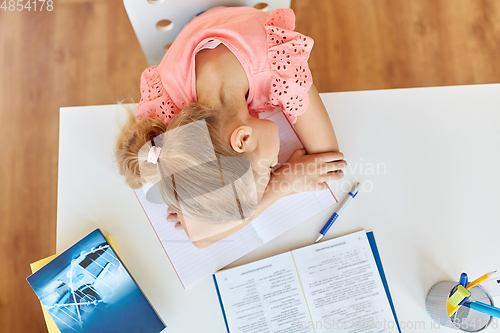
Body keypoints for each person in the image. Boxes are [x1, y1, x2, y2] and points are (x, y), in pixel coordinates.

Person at [115, 6, 346, 248]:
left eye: (270, 167)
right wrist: (281, 185)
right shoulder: (183, 133)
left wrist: (285, 180)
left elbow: (328, 159)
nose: (276, 166)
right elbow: (200, 238)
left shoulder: (277, 63)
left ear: (243, 139)